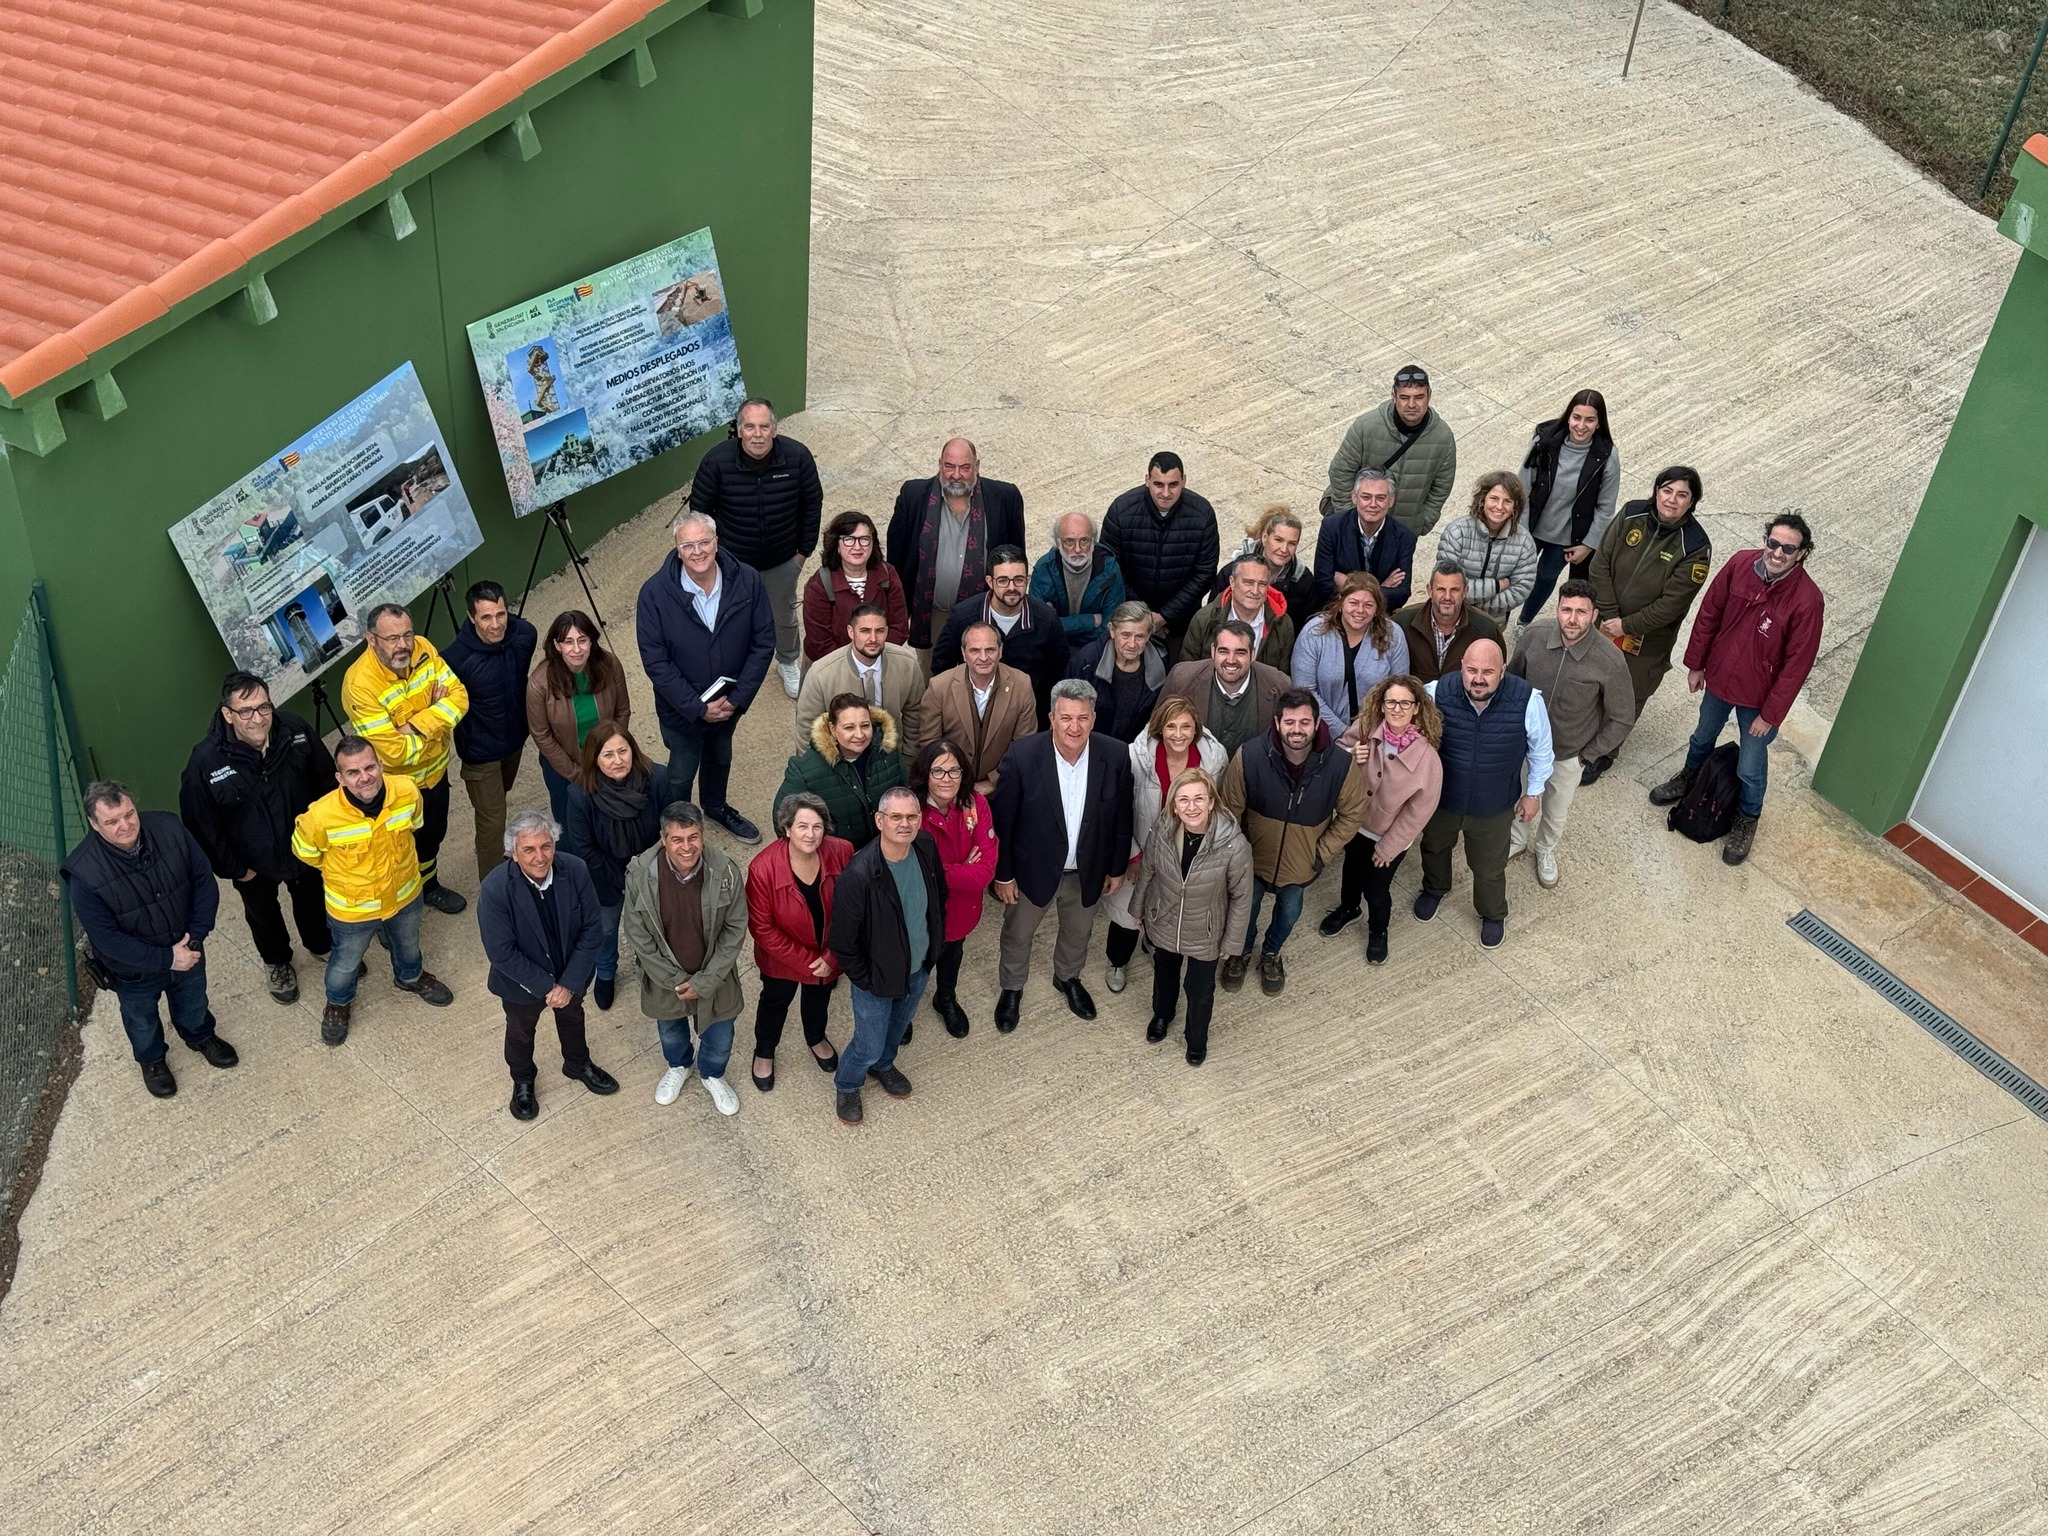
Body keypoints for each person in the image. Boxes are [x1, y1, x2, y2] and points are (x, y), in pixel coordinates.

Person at [1650, 514, 1825, 865]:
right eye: (1773, 543)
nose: (1777, 552)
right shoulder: (1740, 563)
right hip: (1719, 678)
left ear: (1802, 553)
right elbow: (1709, 613)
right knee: (1701, 737)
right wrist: (1696, 664)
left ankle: (1747, 818)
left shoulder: (1808, 601)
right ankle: (1689, 778)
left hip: (1759, 700)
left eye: (1788, 548)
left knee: (1750, 766)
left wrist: (1770, 715)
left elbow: (1796, 667)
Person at [64, 780, 237, 1099]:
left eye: (129, 813)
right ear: (93, 824)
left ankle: (200, 1035)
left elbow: (203, 881)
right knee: (141, 1019)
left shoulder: (169, 827)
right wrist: (168, 959)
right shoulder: (83, 874)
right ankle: (152, 1060)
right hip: (134, 970)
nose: (125, 825)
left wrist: (194, 937)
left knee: (194, 1000)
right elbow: (108, 940)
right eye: (112, 821)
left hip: (188, 947)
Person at [178, 671, 333, 1004]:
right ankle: (277, 962)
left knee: (311, 899)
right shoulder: (204, 762)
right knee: (263, 915)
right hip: (251, 863)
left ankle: (321, 944)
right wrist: (235, 868)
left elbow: (326, 783)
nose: (257, 718)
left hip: (303, 848)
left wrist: (324, 836)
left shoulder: (295, 732)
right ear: (227, 714)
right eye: (245, 711)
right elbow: (200, 824)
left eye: (263, 707)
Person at [990, 679, 1135, 1029]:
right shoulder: (1022, 755)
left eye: (1083, 718)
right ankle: (1012, 988)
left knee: (1078, 932)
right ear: (1052, 717)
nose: (1075, 726)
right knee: (1018, 933)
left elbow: (1121, 816)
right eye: (1066, 718)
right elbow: (1003, 822)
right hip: (1030, 871)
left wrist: (1117, 867)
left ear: (1094, 718)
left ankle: (1067, 977)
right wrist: (1004, 874)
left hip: (1087, 870)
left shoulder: (1115, 755)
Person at [292, 736, 456, 1046]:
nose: (364, 777)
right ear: (339, 778)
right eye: (353, 772)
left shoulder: (407, 791)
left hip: (404, 896)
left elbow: (415, 824)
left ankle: (410, 977)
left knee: (408, 943)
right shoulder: (320, 816)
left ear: (381, 765)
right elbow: (306, 852)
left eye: (370, 767)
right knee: (344, 963)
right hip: (353, 910)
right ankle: (338, 1003)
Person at [636, 511, 776, 843]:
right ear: (677, 548)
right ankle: (676, 827)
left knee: (720, 756)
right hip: (681, 710)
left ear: (716, 542)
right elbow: (656, 662)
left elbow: (763, 641)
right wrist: (697, 708)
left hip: (729, 704)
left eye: (703, 542)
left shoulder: (748, 580)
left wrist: (738, 698)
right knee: (681, 771)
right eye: (688, 545)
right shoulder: (654, 594)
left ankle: (715, 807)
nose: (697, 552)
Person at [1217, 689, 1364, 995]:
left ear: (1317, 722)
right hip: (1253, 860)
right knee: (1245, 911)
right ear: (1277, 722)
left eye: (1304, 722)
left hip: (1301, 865)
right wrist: (1236, 853)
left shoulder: (1340, 765)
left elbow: (1353, 814)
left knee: (1288, 914)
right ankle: (1240, 953)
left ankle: (1271, 953)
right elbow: (1229, 810)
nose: (1297, 729)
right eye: (1290, 721)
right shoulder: (1250, 755)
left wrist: (1320, 853)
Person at [477, 811, 617, 1121]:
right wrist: (547, 987)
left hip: (572, 975)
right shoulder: (495, 888)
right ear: (514, 853)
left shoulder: (575, 869)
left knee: (572, 1018)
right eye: (529, 849)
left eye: (546, 846)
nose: (540, 857)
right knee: (521, 1032)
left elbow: (593, 928)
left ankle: (577, 1064)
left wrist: (568, 984)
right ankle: (523, 1079)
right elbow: (501, 952)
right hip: (521, 984)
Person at [1414, 640, 1553, 948]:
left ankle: (1492, 913)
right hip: (1443, 801)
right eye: (1471, 670)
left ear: (1502, 671)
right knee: (1434, 848)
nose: (1478, 678)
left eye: (1488, 671)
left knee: (1489, 868)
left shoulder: (1528, 700)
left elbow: (1541, 752)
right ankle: (1435, 888)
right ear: (1461, 665)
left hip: (1494, 806)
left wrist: (1533, 793)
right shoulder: (1435, 692)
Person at [827, 786, 948, 1125]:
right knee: (868, 1042)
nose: (904, 824)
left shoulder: (924, 846)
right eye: (896, 817)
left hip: (919, 966)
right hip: (877, 978)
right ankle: (848, 1083)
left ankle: (883, 1066)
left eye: (911, 816)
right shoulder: (859, 875)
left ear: (920, 819)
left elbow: (939, 895)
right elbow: (843, 942)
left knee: (896, 1030)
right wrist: (866, 979)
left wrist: (932, 949)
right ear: (880, 821)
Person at [687, 397, 823, 698]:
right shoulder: (715, 462)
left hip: (783, 561)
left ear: (774, 429)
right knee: (730, 617)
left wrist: (803, 553)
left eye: (764, 426)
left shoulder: (798, 457)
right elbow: (700, 513)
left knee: (783, 616)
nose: (757, 434)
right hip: (732, 564)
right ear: (738, 430)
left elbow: (812, 504)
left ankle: (787, 661)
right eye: (749, 426)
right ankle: (731, 669)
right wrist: (714, 559)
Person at [1585, 465, 1713, 785]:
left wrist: (1626, 626)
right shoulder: (1632, 513)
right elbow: (1601, 562)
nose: (1671, 499)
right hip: (1604, 620)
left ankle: (1604, 753)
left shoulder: (1696, 547)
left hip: (1645, 640)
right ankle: (1580, 733)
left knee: (1628, 694)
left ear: (1692, 501)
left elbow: (1671, 605)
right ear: (1656, 491)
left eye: (1682, 494)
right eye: (1666, 490)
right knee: (1590, 678)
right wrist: (1610, 615)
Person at [341, 602, 470, 912]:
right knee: (394, 854)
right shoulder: (359, 684)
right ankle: (393, 914)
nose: (404, 645)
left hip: (435, 778)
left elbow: (460, 698)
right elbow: (392, 752)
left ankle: (429, 888)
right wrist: (437, 722)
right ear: (370, 639)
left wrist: (414, 725)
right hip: (394, 790)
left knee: (431, 839)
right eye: (392, 638)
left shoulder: (423, 647)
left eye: (407, 635)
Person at [621, 801, 747, 1117]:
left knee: (720, 1037)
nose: (687, 847)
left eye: (693, 837)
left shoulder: (726, 871)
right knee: (670, 1031)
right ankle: (679, 1066)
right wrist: (675, 981)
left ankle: (712, 1074)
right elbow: (637, 934)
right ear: (664, 839)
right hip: (666, 981)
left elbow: (735, 930)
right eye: (677, 839)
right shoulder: (639, 873)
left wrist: (705, 981)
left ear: (702, 835)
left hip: (715, 979)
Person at [1508, 580, 1637, 887]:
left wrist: (1586, 756)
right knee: (1518, 795)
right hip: (1524, 746)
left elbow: (1622, 718)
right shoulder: (1535, 636)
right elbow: (1512, 680)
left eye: (1581, 612)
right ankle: (1517, 839)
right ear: (1558, 609)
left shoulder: (1610, 661)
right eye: (1566, 610)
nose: (1573, 619)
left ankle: (1545, 851)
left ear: (1594, 615)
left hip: (1568, 755)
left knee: (1555, 810)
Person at [1102, 694, 1228, 995]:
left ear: (1196, 728)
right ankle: (1117, 961)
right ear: (1160, 727)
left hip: (1185, 857)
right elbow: (1120, 812)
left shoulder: (1214, 759)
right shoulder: (1135, 758)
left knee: (1169, 911)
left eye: (1186, 726)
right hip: (1141, 852)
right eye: (1171, 726)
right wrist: (1132, 856)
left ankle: (1154, 940)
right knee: (1127, 916)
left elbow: (1216, 809)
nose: (1179, 734)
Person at [1130, 768, 1252, 1066]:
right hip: (1165, 921)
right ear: (1174, 805)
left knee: (1200, 990)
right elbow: (1148, 871)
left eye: (1199, 798)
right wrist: (1138, 909)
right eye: (1183, 800)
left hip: (1206, 931)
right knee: (1164, 974)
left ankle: (1196, 1039)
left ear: (1211, 802)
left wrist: (1232, 942)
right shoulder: (1162, 830)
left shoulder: (1233, 844)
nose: (1191, 806)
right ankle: (1162, 1014)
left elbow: (1241, 896)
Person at [1322, 677, 1444, 964]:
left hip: (1388, 836)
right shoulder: (1366, 728)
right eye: (1391, 702)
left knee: (1377, 889)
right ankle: (1349, 909)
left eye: (1405, 703)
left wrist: (1389, 847)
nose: (1397, 709)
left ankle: (1378, 931)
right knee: (1350, 872)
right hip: (1355, 823)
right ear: (1382, 703)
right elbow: (1338, 752)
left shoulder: (1428, 759)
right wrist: (1351, 754)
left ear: (1416, 708)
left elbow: (1419, 811)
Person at [561, 721, 672, 1012]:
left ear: (633, 750)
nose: (618, 760)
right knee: (606, 929)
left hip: (651, 871)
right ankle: (606, 972)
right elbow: (584, 848)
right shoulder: (580, 794)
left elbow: (669, 828)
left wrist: (647, 873)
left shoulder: (657, 778)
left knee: (650, 926)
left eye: (623, 751)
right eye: (608, 754)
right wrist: (623, 880)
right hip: (606, 878)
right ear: (594, 759)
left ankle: (646, 964)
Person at [745, 792, 852, 1090]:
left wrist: (832, 956)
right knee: (775, 1002)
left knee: (819, 998)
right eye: (802, 826)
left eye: (817, 826)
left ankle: (815, 1037)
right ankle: (764, 1051)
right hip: (781, 960)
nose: (811, 834)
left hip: (828, 953)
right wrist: (808, 962)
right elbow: (762, 928)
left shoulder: (842, 851)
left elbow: (853, 909)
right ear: (787, 829)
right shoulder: (762, 868)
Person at [887, 438, 1027, 652]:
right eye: (949, 466)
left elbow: (1016, 558)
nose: (956, 475)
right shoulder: (913, 496)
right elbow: (896, 559)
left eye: (965, 467)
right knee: (933, 680)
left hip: (986, 615)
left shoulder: (1005, 498)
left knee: (984, 677)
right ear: (939, 464)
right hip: (931, 617)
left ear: (977, 466)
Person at [441, 580, 538, 880]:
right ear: (471, 617)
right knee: (493, 822)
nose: (496, 625)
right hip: (480, 754)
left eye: (500, 614)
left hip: (514, 741)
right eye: (486, 617)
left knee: (500, 799)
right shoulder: (454, 659)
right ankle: (494, 887)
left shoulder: (525, 635)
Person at [1099, 451, 1219, 659]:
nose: (1165, 493)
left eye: (1173, 485)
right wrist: (1145, 617)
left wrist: (1165, 616)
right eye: (1158, 484)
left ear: (1184, 481)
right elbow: (1111, 569)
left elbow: (1205, 573)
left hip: (1180, 624)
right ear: (1147, 480)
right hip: (1130, 621)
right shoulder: (1121, 510)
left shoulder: (1203, 513)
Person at [914, 738, 997, 1038]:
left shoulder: (977, 805)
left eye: (954, 771)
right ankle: (903, 1010)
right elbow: (915, 873)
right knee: (914, 964)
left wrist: (939, 870)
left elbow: (985, 871)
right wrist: (963, 866)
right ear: (925, 774)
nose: (947, 779)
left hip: (960, 910)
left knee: (952, 956)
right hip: (920, 911)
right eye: (938, 771)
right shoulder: (913, 811)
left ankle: (945, 998)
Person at [1517, 389, 1620, 625]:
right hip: (1530, 527)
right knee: (1515, 573)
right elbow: (1522, 486)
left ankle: (1524, 621)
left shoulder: (1606, 456)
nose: (1581, 426)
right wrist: (1519, 529)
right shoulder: (1544, 439)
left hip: (1567, 538)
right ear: (1568, 416)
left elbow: (1606, 508)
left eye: (1589, 420)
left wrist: (1587, 544)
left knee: (1545, 577)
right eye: (1577, 417)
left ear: (1599, 423)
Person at [933, 545, 1068, 720]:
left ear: (1027, 580)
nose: (1011, 587)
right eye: (1003, 580)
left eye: (1018, 580)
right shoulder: (963, 616)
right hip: (973, 714)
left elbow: (1060, 672)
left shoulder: (1046, 619)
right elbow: (941, 666)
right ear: (990, 581)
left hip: (1029, 716)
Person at [1322, 364, 1458, 535]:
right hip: (1356, 527)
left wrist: (1422, 522)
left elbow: (1442, 486)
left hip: (1402, 532)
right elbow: (1340, 472)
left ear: (1429, 396)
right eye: (1404, 397)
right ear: (1393, 396)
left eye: (1419, 397)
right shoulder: (1366, 427)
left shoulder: (1443, 437)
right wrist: (1349, 517)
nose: (1411, 404)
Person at [526, 608, 630, 825]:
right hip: (563, 766)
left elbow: (622, 711)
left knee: (611, 818)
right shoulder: (539, 682)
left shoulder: (610, 665)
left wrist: (612, 752)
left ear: (592, 641)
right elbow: (541, 735)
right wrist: (575, 773)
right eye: (568, 642)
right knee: (571, 825)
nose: (576, 649)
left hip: (607, 757)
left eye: (582, 640)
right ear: (557, 645)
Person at [913, 621, 1038, 796]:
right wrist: (952, 782)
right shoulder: (939, 687)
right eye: (974, 650)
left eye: (990, 650)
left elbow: (1024, 746)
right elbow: (929, 744)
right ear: (964, 654)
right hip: (949, 789)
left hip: (1002, 787)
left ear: (1000, 651)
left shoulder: (1022, 684)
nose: (983, 657)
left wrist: (992, 782)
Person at [778, 695, 908, 851]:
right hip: (839, 861)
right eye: (849, 727)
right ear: (833, 729)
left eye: (865, 726)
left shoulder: (888, 753)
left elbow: (907, 793)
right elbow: (782, 820)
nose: (860, 735)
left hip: (888, 850)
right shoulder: (804, 770)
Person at [793, 603, 927, 749]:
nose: (873, 638)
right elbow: (807, 728)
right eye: (865, 631)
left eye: (880, 631)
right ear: (851, 632)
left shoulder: (907, 665)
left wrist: (908, 761)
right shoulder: (821, 674)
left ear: (887, 632)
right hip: (842, 759)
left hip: (891, 755)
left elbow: (915, 716)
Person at [1290, 573, 1411, 733]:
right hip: (1320, 732)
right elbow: (1304, 691)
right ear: (1341, 602)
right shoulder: (1314, 633)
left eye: (1368, 605)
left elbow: (1400, 689)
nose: (1360, 611)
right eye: (1353, 602)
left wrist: (1370, 732)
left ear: (1377, 608)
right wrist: (1341, 732)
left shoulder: (1393, 635)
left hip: (1376, 733)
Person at [1161, 620, 1290, 758]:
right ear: (1213, 651)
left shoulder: (1279, 685)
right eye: (1223, 651)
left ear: (1253, 654)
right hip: (1194, 773)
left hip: (1252, 775)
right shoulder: (1181, 679)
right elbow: (1156, 731)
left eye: (1240, 653)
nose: (1231, 660)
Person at [802, 510, 909, 662]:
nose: (857, 547)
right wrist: (856, 665)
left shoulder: (888, 575)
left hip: (881, 660)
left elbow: (899, 627)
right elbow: (820, 642)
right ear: (837, 545)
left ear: (873, 543)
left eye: (864, 539)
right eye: (849, 539)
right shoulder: (819, 585)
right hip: (832, 666)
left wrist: (874, 660)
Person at [1436, 472, 1539, 629]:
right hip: (1452, 617)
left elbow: (1520, 590)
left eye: (1507, 501)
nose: (1499, 506)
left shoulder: (1525, 543)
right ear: (1482, 500)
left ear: (1515, 507)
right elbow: (1446, 582)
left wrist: (1477, 605)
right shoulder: (1457, 532)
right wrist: (1497, 586)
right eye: (1494, 498)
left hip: (1492, 622)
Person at [1312, 468, 1418, 611]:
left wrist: (1348, 582)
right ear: (1354, 497)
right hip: (1336, 611)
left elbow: (1401, 593)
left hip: (1380, 615)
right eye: (1366, 497)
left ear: (1391, 501)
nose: (1373, 504)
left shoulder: (1405, 537)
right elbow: (1323, 583)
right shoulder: (1332, 528)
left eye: (1381, 498)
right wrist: (1380, 589)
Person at [1064, 600, 1166, 744]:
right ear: (1112, 630)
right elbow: (1064, 709)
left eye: (1139, 637)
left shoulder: (1160, 666)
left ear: (1149, 635)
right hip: (1089, 746)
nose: (1132, 644)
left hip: (1133, 752)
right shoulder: (1087, 661)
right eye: (1125, 635)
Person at [1393, 562, 1505, 685]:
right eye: (1441, 589)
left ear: (1465, 592)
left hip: (1461, 703)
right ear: (1430, 590)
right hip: (1414, 701)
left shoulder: (1486, 629)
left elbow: (1499, 675)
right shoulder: (1402, 623)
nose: (1447, 597)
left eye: (1454, 590)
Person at [1180, 551, 1295, 671]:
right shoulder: (1204, 619)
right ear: (1232, 582)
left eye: (1262, 584)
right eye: (1248, 582)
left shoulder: (1283, 625)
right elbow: (1187, 673)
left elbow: (1282, 679)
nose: (1255, 591)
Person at [1030, 512, 1126, 646]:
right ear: (1058, 542)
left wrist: (1061, 626)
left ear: (1093, 540)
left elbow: (1111, 627)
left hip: (1095, 648)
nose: (1077, 549)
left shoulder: (1110, 569)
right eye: (1069, 541)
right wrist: (1090, 621)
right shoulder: (1043, 570)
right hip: (1053, 647)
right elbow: (1040, 626)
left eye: (1084, 541)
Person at [1217, 506, 1317, 625]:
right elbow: (1213, 615)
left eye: (1292, 543)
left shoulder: (1303, 582)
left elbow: (1305, 626)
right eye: (1278, 540)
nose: (1284, 549)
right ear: (1264, 537)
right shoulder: (1231, 572)